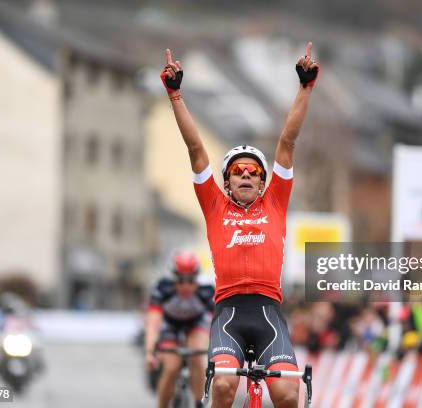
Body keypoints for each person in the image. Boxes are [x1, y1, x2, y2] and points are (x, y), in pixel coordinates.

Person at [160, 42, 319, 407]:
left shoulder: (275, 201)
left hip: (269, 313)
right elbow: (196, 149)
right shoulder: (214, 205)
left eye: (253, 172)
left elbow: (287, 141)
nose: (245, 175)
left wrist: (305, 89)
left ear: (263, 182)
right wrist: (176, 96)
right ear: (227, 182)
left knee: (287, 392)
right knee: (224, 386)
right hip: (229, 313)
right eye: (236, 171)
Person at [144, 251, 215, 408]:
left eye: (190, 280)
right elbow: (153, 322)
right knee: (171, 367)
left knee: (196, 356)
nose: (185, 285)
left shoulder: (206, 290)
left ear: (197, 278)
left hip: (196, 324)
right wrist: (150, 351)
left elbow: (217, 323)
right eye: (181, 280)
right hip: (170, 325)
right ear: (173, 278)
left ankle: (199, 404)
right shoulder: (163, 288)